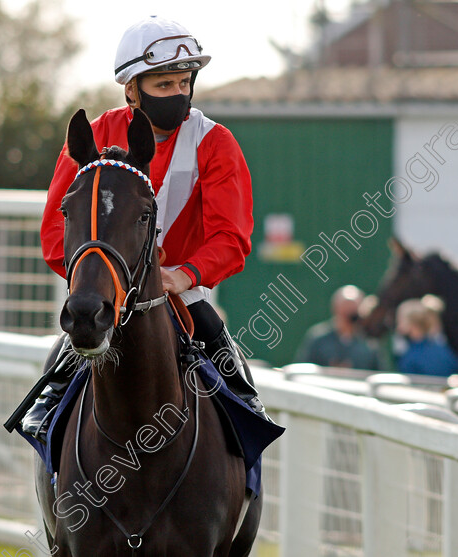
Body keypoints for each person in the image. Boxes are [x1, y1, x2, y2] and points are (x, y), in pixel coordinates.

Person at [21, 16, 264, 441]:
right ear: (131, 88)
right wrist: (102, 281)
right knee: (49, 395)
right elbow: (55, 233)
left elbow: (232, 238)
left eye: (183, 83)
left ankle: (247, 484)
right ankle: (50, 465)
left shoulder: (216, 143)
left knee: (245, 409)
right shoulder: (94, 136)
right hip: (107, 294)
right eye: (163, 85)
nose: (177, 94)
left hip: (182, 294)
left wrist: (179, 275)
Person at [295, 285, 381, 370]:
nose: (349, 311)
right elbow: (303, 369)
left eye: (353, 307)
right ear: (335, 308)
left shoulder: (370, 343)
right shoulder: (318, 339)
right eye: (346, 306)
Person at [394, 298, 458, 376]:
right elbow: (457, 367)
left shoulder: (410, 358)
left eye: (400, 321)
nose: (398, 326)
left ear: (412, 325)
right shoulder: (441, 349)